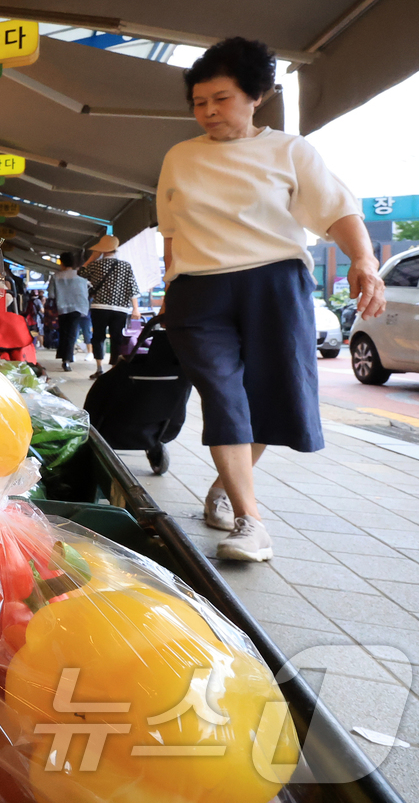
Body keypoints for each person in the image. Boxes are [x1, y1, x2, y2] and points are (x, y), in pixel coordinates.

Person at [158, 37, 386, 562]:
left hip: (275, 285)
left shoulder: (289, 150)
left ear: (256, 95)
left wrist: (363, 260)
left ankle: (225, 489)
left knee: (266, 396)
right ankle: (250, 521)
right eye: (198, 102)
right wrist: (170, 287)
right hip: (199, 291)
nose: (208, 111)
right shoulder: (179, 157)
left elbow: (335, 209)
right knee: (223, 395)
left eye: (221, 98)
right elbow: (170, 231)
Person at [80, 235, 141, 379]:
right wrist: (135, 308)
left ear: (102, 250)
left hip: (99, 307)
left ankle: (99, 368)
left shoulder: (95, 265)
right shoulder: (125, 266)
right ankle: (114, 368)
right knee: (117, 338)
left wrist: (92, 258)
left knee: (98, 337)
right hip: (120, 309)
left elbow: (81, 272)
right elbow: (132, 287)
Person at [47, 251, 89, 371]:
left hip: (61, 308)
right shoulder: (81, 278)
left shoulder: (56, 277)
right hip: (77, 308)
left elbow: (51, 294)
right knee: (71, 334)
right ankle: (67, 360)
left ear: (62, 262)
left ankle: (63, 357)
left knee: (64, 333)